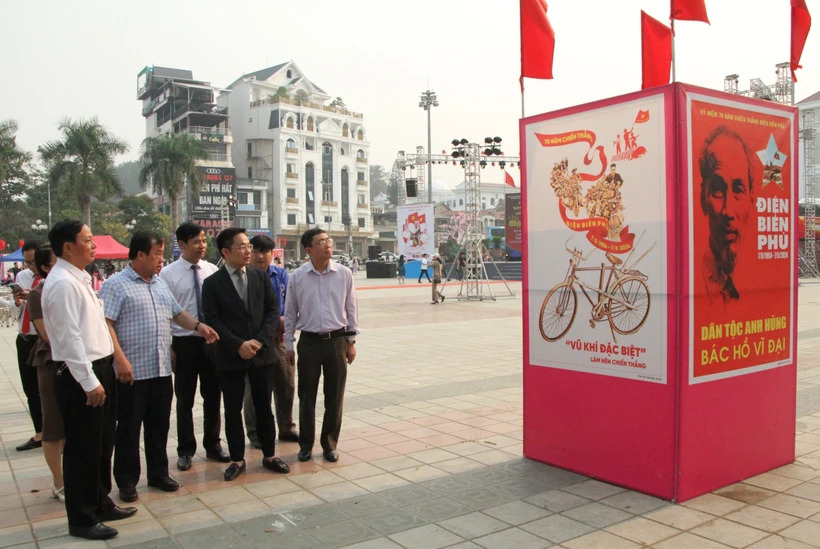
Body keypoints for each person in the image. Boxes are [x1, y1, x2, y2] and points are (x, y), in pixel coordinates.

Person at [101, 231, 219, 502]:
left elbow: (177, 313)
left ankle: (158, 473)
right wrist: (119, 359)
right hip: (132, 372)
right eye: (156, 255)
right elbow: (106, 324)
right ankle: (127, 481)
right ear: (140, 254)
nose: (160, 260)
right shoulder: (115, 285)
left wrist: (199, 327)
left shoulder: (159, 283)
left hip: (161, 369)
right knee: (129, 429)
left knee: (158, 426)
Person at [42, 220, 136, 541]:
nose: (93, 245)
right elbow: (69, 339)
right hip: (82, 374)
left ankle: (99, 501)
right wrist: (88, 381)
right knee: (82, 448)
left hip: (101, 367)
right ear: (68, 247)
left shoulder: (79, 278)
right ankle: (82, 518)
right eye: (87, 240)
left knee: (102, 442)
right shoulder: (62, 284)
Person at [202, 228, 290, 480]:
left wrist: (259, 341)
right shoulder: (212, 283)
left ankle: (270, 455)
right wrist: (238, 344)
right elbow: (213, 319)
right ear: (226, 251)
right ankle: (237, 459)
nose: (248, 251)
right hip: (231, 356)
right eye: (241, 246)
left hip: (261, 353)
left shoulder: (259, 276)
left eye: (248, 246)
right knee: (232, 409)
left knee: (264, 407)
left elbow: (272, 312)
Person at [158, 222, 229, 472]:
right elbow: (165, 314)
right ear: (182, 244)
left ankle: (213, 445)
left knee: (213, 396)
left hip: (211, 342)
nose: (202, 246)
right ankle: (185, 450)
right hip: (184, 343)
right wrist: (169, 347)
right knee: (185, 399)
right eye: (196, 241)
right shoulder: (168, 275)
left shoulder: (212, 270)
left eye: (204, 241)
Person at [285, 228, 358, 463]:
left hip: (337, 341)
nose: (328, 245)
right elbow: (290, 313)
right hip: (309, 342)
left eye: (328, 240)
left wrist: (351, 342)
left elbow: (351, 309)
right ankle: (306, 444)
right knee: (307, 395)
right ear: (309, 249)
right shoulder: (297, 277)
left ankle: (329, 444)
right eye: (321, 242)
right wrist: (288, 345)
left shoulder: (344, 274)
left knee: (334, 396)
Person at [244, 235, 298, 449]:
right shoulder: (244, 277)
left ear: (272, 254)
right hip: (254, 341)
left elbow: (291, 304)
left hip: (279, 340)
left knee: (286, 384)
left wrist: (285, 322)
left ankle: (286, 427)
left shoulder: (281, 275)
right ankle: (255, 433)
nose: (260, 256)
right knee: (254, 390)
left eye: (265, 251)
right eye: (256, 251)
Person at [698, 126, 756, 304]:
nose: (728, 211)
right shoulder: (695, 279)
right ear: (703, 198)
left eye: (738, 189)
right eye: (717, 189)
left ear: (751, 200)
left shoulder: (757, 277)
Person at [26, 245, 64, 502]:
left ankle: (75, 476)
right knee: (53, 424)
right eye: (57, 261)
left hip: (79, 360)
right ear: (45, 267)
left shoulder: (77, 284)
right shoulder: (38, 293)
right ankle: (59, 482)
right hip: (52, 360)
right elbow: (48, 335)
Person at [11, 239, 43, 452]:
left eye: (33, 261)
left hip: (43, 340)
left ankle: (57, 433)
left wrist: (33, 296)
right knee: (30, 389)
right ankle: (40, 432)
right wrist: (17, 301)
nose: (30, 266)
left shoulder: (52, 278)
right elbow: (19, 311)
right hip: (24, 337)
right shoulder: (22, 276)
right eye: (27, 262)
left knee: (48, 389)